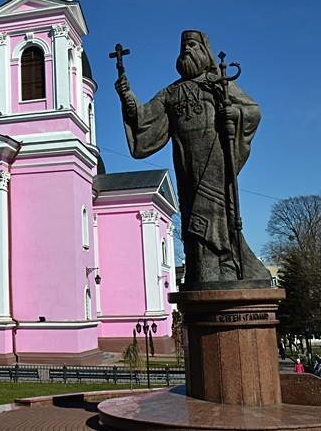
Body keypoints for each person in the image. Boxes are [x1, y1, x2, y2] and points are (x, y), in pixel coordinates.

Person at [115, 30, 270, 288]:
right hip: (187, 166)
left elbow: (251, 110)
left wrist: (233, 113)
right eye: (183, 46)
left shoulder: (217, 82)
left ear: (204, 50)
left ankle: (226, 266)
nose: (187, 50)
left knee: (218, 212)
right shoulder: (171, 92)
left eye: (192, 45)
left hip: (215, 161)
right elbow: (144, 119)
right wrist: (127, 97)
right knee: (192, 218)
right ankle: (204, 271)